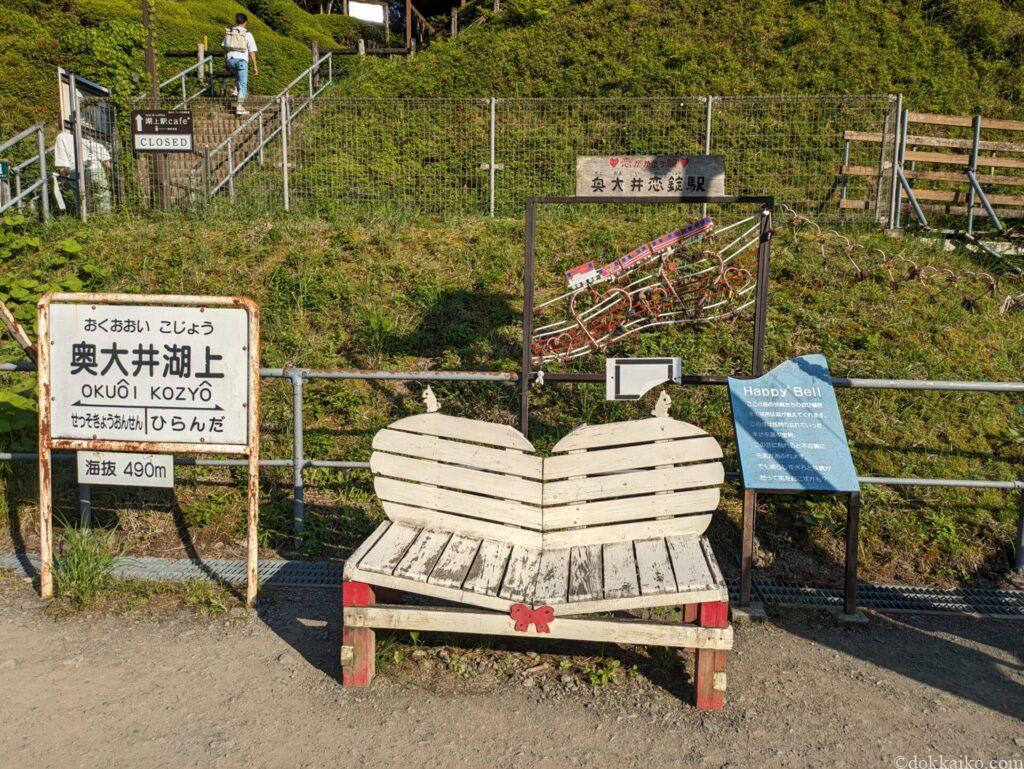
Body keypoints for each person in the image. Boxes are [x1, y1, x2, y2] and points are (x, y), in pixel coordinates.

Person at [53, 128, 112, 215]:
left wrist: (63, 181)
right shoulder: (87, 138)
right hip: (97, 170)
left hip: (76, 171)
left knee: (82, 202)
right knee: (102, 198)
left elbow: (63, 165)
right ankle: (106, 219)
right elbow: (107, 163)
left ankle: (85, 221)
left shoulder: (61, 138)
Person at [223, 13, 258, 116]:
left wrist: (226, 61)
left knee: (237, 76)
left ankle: (234, 89)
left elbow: (224, 47)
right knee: (243, 84)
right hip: (242, 61)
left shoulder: (229, 32)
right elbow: (252, 52)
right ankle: (239, 107)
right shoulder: (247, 34)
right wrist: (255, 66)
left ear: (236, 21)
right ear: (245, 22)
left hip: (230, 60)